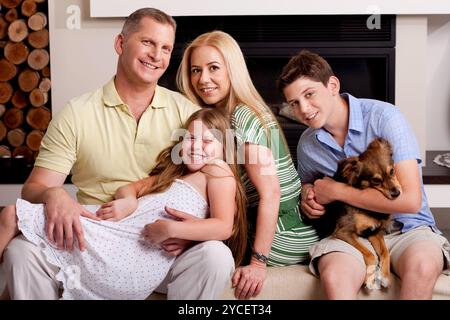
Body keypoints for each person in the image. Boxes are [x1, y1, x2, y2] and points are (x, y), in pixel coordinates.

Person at [1, 8, 235, 300]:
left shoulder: (186, 113)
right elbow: (34, 188)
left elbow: (209, 191)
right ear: (120, 44)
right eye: (147, 43)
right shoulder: (77, 113)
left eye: (165, 48)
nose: (156, 55)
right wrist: (53, 195)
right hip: (93, 239)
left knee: (216, 256)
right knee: (19, 253)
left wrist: (187, 234)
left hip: (161, 249)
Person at [0, 108, 247, 300]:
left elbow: (224, 226)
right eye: (190, 139)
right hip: (121, 232)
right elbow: (130, 188)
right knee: (24, 240)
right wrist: (128, 201)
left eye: (207, 141)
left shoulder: (217, 170)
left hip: (135, 247)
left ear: (224, 147)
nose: (195, 147)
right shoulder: (174, 175)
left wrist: (171, 230)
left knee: (14, 215)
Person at [278, 49, 450, 299]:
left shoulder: (385, 118)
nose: (303, 108)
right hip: (351, 235)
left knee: (423, 266)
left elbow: (411, 201)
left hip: (408, 229)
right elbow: (309, 187)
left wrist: (339, 191)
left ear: (333, 85)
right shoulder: (308, 144)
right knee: (336, 276)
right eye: (294, 103)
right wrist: (308, 197)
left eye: (309, 94)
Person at [177, 31, 319, 300]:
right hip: (251, 225)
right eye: (196, 70)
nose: (202, 79)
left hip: (283, 233)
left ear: (233, 69)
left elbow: (271, 193)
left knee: (195, 253)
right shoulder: (219, 117)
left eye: (213, 68)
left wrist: (257, 263)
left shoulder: (244, 115)